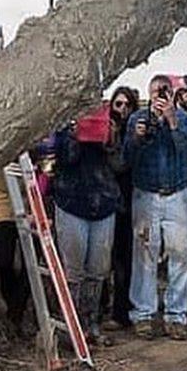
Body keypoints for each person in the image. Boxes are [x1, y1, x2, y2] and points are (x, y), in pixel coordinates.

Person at [125, 73, 187, 340]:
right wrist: (137, 137)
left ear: (172, 94)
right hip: (146, 193)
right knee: (144, 255)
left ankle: (176, 315)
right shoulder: (137, 119)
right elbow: (127, 157)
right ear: (149, 93)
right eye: (155, 91)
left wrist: (172, 120)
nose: (160, 96)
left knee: (180, 255)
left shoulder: (183, 119)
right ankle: (143, 314)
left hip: (176, 193)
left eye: (164, 91)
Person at [53, 106, 121, 344]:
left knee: (98, 270)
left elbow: (119, 165)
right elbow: (65, 159)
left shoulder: (109, 122)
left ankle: (91, 324)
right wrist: (73, 133)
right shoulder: (63, 121)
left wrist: (111, 140)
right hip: (72, 200)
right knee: (74, 271)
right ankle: (71, 327)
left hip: (103, 201)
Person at [106, 86, 138, 329]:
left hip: (129, 202)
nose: (123, 110)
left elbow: (123, 164)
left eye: (127, 105)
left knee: (124, 260)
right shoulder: (106, 130)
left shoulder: (133, 132)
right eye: (118, 104)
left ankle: (121, 310)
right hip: (107, 200)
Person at [0, 167, 30, 333]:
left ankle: (17, 312)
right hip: (2, 190)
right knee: (2, 258)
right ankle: (11, 304)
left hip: (33, 190)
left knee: (31, 262)